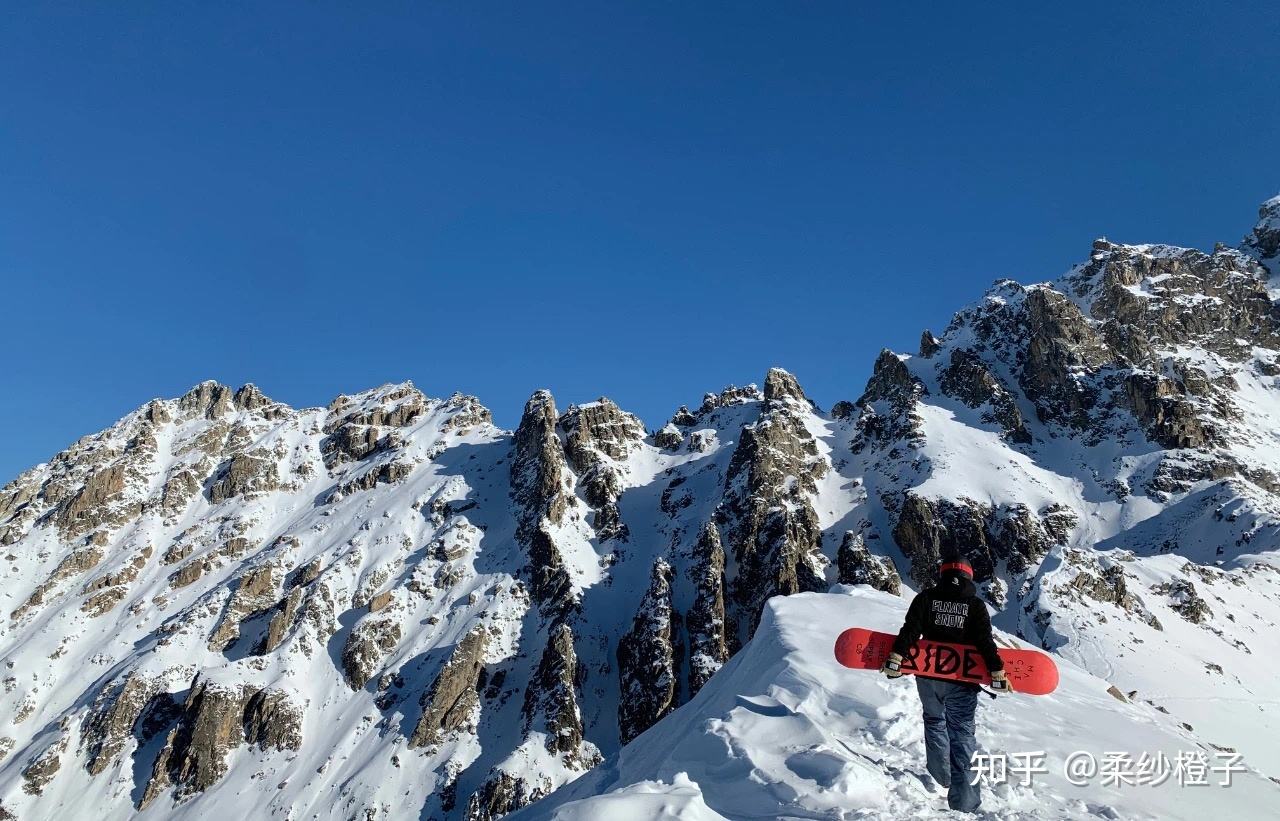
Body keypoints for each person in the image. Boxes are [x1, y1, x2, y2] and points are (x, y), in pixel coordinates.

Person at [881, 550, 1008, 813]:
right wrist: (996, 671)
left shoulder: (926, 598)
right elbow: (985, 641)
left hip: (927, 677)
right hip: (961, 679)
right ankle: (965, 801)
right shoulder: (974, 606)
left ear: (943, 574)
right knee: (962, 736)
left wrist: (896, 657)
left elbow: (910, 631)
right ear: (968, 576)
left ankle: (942, 776)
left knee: (934, 721)